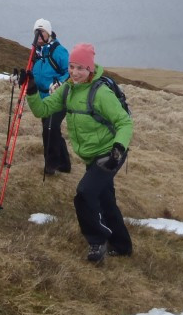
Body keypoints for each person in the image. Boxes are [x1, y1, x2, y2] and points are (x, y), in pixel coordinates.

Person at [23, 43, 133, 264]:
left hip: (110, 154)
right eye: (72, 67)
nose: (74, 72)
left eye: (80, 68)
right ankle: (122, 246)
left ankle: (97, 241)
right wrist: (33, 89)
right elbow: (42, 110)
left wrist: (118, 149)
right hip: (92, 156)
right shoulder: (68, 89)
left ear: (90, 69)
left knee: (84, 193)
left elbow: (124, 122)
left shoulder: (101, 93)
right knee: (105, 199)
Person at [30, 18, 71, 175]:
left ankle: (51, 164)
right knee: (51, 129)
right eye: (36, 32)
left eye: (42, 32)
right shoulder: (35, 51)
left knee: (50, 128)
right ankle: (65, 164)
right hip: (41, 97)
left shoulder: (59, 51)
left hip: (58, 97)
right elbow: (32, 71)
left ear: (49, 33)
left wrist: (60, 84)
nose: (39, 35)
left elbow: (69, 71)